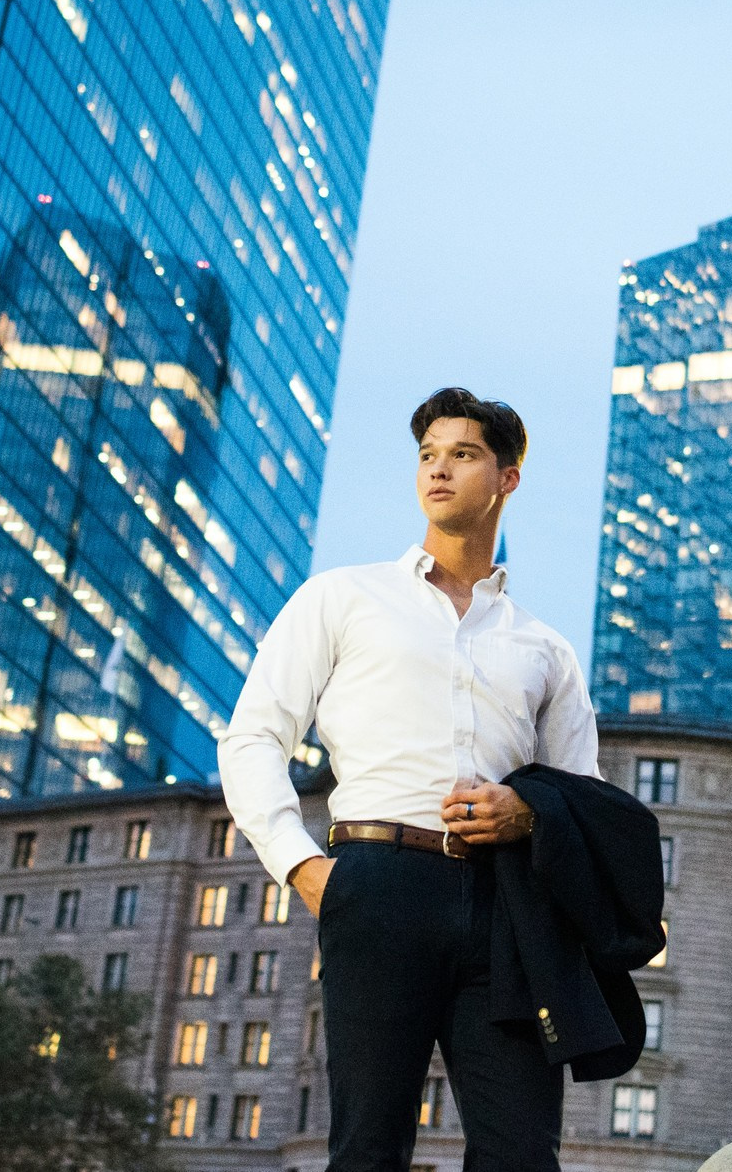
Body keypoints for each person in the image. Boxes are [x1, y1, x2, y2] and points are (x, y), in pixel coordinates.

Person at [219, 387, 599, 1172]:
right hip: (374, 884)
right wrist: (303, 866)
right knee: (368, 1146)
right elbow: (252, 736)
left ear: (508, 477)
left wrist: (526, 812)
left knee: (524, 1151)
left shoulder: (544, 647)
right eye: (428, 453)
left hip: (505, 905)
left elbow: (583, 798)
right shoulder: (343, 597)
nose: (438, 468)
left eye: (462, 453)